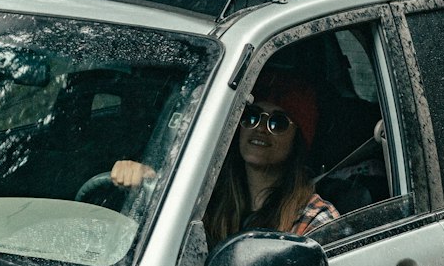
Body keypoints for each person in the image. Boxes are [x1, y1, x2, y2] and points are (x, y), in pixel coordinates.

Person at [110, 66, 339, 242]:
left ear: (297, 140)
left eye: (277, 123)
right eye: (251, 116)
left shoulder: (314, 220)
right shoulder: (205, 199)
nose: (260, 128)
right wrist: (148, 180)